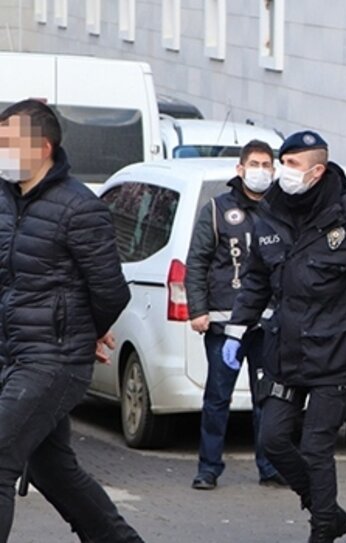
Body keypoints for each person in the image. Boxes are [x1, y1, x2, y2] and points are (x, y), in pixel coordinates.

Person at [224, 130, 346, 543]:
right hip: (285, 350)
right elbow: (257, 278)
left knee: (315, 448)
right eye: (283, 163)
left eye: (292, 165)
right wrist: (237, 328)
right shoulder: (271, 212)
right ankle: (328, 512)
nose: (283, 172)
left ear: (317, 171)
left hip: (332, 353)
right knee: (273, 439)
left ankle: (322, 528)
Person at [0, 99, 143, 542]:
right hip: (12, 354)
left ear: (42, 147)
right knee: (52, 468)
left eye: (7, 143)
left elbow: (111, 290)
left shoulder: (80, 208)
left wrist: (83, 332)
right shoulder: (5, 201)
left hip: (54, 360)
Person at [186, 140, 285, 491]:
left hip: (267, 322)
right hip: (224, 322)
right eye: (254, 164)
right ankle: (208, 468)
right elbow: (197, 261)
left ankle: (269, 467)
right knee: (217, 398)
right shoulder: (217, 210)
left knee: (267, 399)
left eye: (266, 165)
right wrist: (198, 309)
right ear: (240, 169)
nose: (261, 171)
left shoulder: (281, 211)